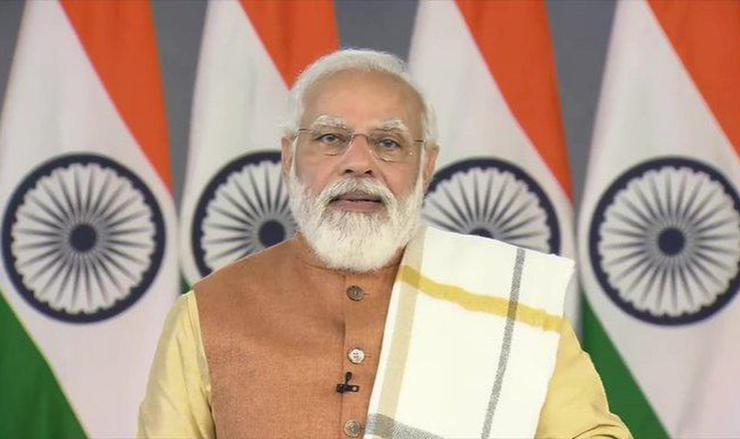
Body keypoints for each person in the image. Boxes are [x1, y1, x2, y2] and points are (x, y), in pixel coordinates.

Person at [138, 49, 631, 438]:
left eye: (388, 143)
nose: (359, 163)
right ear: (290, 157)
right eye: (331, 138)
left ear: (427, 166)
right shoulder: (208, 312)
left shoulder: (507, 303)